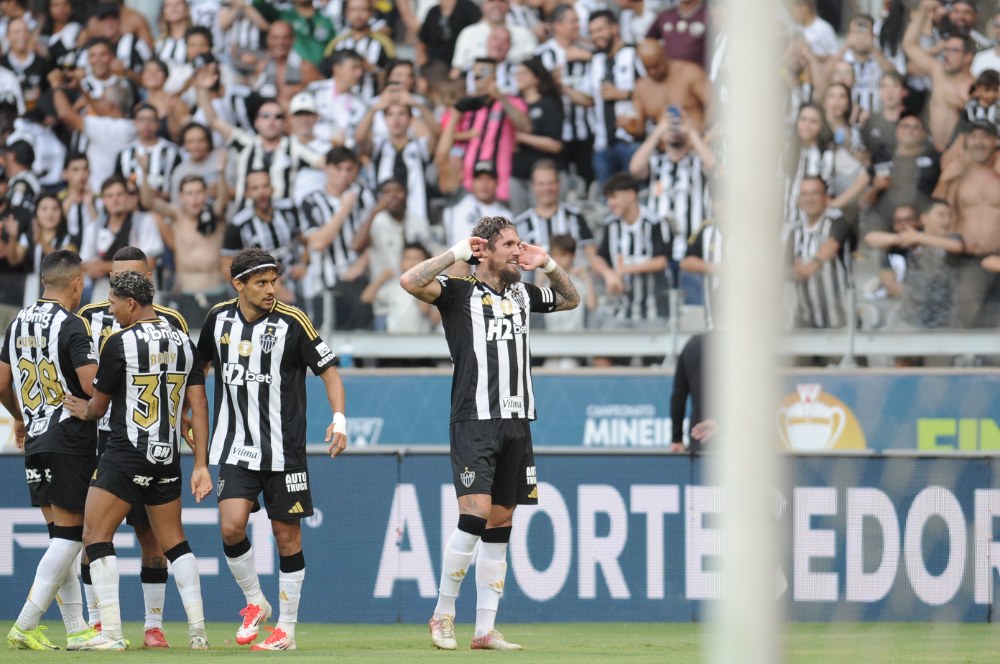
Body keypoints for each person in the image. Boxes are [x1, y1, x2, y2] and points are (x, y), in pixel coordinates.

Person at [399, 215, 580, 652]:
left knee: (500, 524)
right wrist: (458, 253)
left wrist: (549, 264)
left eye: (521, 245)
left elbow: (571, 300)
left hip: (517, 422)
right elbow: (410, 280)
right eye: (511, 245)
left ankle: (484, 629)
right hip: (474, 419)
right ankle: (443, 614)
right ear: (487, 250)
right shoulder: (459, 292)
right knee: (474, 516)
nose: (519, 251)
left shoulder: (521, 292)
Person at [199, 248, 347, 651]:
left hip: (285, 451)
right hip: (235, 445)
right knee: (231, 526)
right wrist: (187, 419)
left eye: (273, 281)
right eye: (261, 283)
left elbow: (329, 373)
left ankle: (287, 630)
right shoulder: (217, 319)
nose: (270, 289)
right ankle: (254, 601)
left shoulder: (293, 321)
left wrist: (339, 418)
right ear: (239, 285)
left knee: (287, 538)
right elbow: (200, 371)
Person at [61, 270, 210, 651]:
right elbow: (199, 405)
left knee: (95, 536)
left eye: (112, 303)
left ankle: (109, 634)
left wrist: (83, 409)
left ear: (130, 303)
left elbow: (99, 406)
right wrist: (201, 464)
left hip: (127, 453)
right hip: (167, 457)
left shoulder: (118, 343)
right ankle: (198, 633)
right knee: (175, 543)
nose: (110, 311)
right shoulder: (183, 340)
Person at [0, 250, 98, 651]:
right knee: (70, 539)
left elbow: (2, 384)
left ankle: (76, 629)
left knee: (62, 539)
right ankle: (25, 622)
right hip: (69, 438)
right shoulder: (73, 325)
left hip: (36, 439)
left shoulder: (17, 321)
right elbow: (92, 388)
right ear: (76, 284)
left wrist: (20, 416)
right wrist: (93, 406)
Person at [195, 63, 321, 205]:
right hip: (247, 215)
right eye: (266, 116)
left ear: (285, 123)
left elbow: (327, 164)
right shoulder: (245, 143)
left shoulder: (295, 147)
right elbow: (214, 120)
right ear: (256, 122)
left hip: (283, 218)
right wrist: (203, 90)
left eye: (277, 117)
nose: (271, 121)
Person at [629, 107, 716, 298]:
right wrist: (658, 132)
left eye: (678, 124)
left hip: (693, 254)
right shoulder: (655, 163)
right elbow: (635, 168)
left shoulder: (697, 162)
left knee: (694, 314)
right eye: (670, 124)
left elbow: (713, 167)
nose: (675, 129)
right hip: (660, 255)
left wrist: (691, 131)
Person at [137, 152, 229, 325]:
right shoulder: (177, 216)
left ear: (206, 194)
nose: (194, 198)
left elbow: (223, 202)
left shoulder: (215, 215)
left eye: (198, 192)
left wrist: (222, 172)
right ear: (181, 197)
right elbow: (148, 202)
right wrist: (144, 172)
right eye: (189, 193)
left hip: (217, 291)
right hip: (186, 293)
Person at [301, 147, 375, 329]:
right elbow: (318, 243)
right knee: (325, 344)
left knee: (361, 339)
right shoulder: (312, 201)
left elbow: (376, 234)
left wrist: (362, 262)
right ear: (327, 168)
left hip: (359, 282)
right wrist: (344, 209)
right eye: (339, 169)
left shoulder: (364, 195)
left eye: (349, 169)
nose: (344, 175)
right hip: (327, 283)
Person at [867, 199, 964, 330]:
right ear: (924, 218)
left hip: (944, 322)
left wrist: (918, 238)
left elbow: (957, 247)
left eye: (949, 215)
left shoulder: (952, 238)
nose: (946, 220)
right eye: (941, 215)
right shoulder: (911, 240)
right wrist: (901, 238)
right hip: (911, 319)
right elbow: (870, 239)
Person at [352, 178, 432, 331]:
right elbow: (356, 246)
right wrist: (375, 211)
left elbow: (429, 256)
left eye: (397, 191)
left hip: (417, 299)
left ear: (406, 194)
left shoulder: (418, 222)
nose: (392, 196)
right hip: (384, 302)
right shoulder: (377, 222)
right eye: (386, 192)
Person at [592, 172, 670, 325]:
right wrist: (609, 274)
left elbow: (661, 261)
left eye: (614, 197)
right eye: (608, 198)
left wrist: (624, 270)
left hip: (652, 311)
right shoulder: (611, 225)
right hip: (620, 311)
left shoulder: (654, 222)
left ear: (631, 195)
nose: (610, 203)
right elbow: (598, 258)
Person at [453, 58, 531, 203]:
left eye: (486, 76)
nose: (481, 81)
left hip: (500, 186)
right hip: (468, 183)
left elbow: (525, 126)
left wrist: (500, 97)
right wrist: (456, 153)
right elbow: (448, 134)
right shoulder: (465, 105)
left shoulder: (512, 101)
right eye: (477, 77)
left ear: (494, 78)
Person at [903, 0, 976, 152]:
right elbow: (909, 46)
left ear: (967, 57)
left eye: (954, 50)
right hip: (932, 150)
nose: (946, 55)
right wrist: (923, 11)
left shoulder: (975, 86)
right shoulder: (938, 71)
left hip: (960, 155)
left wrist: (961, 104)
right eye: (946, 50)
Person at [536, 5, 595, 188]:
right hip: (555, 134)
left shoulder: (587, 54)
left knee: (588, 185)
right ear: (557, 25)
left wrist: (590, 56)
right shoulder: (541, 56)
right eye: (573, 21)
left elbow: (590, 98)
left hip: (585, 132)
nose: (578, 25)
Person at [80, 176, 164, 301]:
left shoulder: (145, 221)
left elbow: (147, 264)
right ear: (103, 200)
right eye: (109, 196)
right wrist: (92, 268)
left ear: (127, 197)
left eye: (119, 194)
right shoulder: (94, 227)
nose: (115, 200)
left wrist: (105, 267)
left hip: (140, 297)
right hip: (105, 295)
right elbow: (85, 263)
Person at [222, 170, 303, 300]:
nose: (261, 192)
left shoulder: (289, 210)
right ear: (247, 193)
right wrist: (264, 284)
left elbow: (306, 242)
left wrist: (303, 265)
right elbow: (227, 271)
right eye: (255, 188)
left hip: (298, 283)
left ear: (272, 188)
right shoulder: (238, 225)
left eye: (265, 186)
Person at [588, 10, 645, 189]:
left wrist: (624, 94)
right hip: (602, 144)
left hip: (631, 141)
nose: (595, 36)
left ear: (614, 28)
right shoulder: (595, 60)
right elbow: (588, 97)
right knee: (607, 201)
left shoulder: (634, 53)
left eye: (600, 30)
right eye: (592, 32)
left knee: (638, 192)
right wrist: (560, 86)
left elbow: (652, 91)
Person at [787, 177, 851, 330]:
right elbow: (785, 267)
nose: (809, 199)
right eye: (804, 194)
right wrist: (794, 272)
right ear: (799, 200)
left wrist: (812, 265)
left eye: (814, 193)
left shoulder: (838, 222)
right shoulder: (794, 233)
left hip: (839, 320)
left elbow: (830, 247)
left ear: (826, 197)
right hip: (806, 319)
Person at [356, 98, 436, 220]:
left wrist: (416, 104)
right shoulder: (379, 146)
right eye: (390, 114)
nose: (396, 119)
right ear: (385, 119)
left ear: (410, 119)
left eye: (401, 114)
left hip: (417, 216)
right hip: (384, 219)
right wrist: (374, 109)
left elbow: (437, 133)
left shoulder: (420, 146)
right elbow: (360, 138)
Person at [863, 112, 941, 234]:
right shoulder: (881, 157)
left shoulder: (934, 160)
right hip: (886, 222)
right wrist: (875, 188)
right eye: (905, 126)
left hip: (923, 221)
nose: (909, 130)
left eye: (915, 127)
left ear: (924, 134)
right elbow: (865, 201)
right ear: (896, 131)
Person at [52, 81, 136, 192]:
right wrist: (81, 89)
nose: (94, 103)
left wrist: (56, 85)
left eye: (100, 100)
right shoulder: (127, 126)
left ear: (110, 106)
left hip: (100, 193)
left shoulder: (112, 129)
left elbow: (65, 114)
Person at [514, 160, 596, 265]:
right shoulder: (520, 223)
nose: (546, 188)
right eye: (541, 184)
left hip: (572, 279)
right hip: (534, 280)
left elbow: (592, 255)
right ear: (533, 186)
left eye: (550, 183)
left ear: (558, 184)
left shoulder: (575, 216)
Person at [508, 58, 564, 215]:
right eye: (516, 73)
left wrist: (521, 137)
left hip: (542, 178)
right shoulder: (514, 104)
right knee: (518, 223)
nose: (518, 76)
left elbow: (555, 145)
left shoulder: (549, 105)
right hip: (517, 174)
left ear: (536, 78)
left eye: (523, 73)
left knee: (543, 216)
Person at [632, 39, 711, 138]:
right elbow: (640, 130)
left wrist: (701, 136)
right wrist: (627, 126)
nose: (653, 71)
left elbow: (714, 106)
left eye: (656, 65)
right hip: (664, 151)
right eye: (647, 68)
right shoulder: (640, 88)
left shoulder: (689, 73)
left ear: (664, 55)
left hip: (696, 145)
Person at [324, 0, 396, 102]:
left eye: (363, 10)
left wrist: (371, 68)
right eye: (354, 10)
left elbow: (393, 77)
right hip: (339, 103)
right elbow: (325, 74)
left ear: (371, 13)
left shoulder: (383, 44)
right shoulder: (336, 44)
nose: (358, 15)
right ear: (347, 13)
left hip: (371, 102)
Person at [361, 241, 440, 333]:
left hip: (420, 340)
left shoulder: (431, 286)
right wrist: (381, 278)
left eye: (418, 258)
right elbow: (366, 297)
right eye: (408, 258)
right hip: (396, 339)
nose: (412, 262)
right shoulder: (395, 286)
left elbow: (424, 309)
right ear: (401, 263)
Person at [113, 104, 182, 200]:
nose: (146, 124)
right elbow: (116, 183)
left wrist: (162, 195)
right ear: (134, 123)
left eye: (151, 120)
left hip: (163, 208)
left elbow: (179, 185)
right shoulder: (124, 153)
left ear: (158, 123)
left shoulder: (172, 152)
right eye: (142, 120)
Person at [306, 49, 370, 148]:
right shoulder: (313, 91)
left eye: (361, 69)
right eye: (354, 68)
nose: (359, 73)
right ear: (337, 68)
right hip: (311, 151)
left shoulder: (362, 104)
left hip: (344, 155)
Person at [252, 21, 323, 110]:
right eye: (275, 38)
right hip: (271, 119)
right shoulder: (262, 67)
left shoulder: (305, 68)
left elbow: (322, 96)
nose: (280, 42)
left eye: (285, 38)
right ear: (268, 39)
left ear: (293, 39)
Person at [451, 0, 537, 72]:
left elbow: (535, 69)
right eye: (491, 1)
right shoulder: (468, 33)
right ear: (482, 6)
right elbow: (457, 68)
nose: (496, 5)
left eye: (501, 1)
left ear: (509, 5)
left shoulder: (524, 34)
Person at [251, 0, 336, 66]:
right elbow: (259, 3)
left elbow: (333, 46)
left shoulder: (327, 19)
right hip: (292, 72)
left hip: (322, 73)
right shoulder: (284, 16)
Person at [670, 333, 714, 453]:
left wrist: (676, 438)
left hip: (699, 439)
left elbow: (678, 396)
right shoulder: (740, 345)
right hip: (734, 443)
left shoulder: (692, 345)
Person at [0, 18, 51, 112]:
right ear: (8, 36)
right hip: (7, 120)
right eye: (16, 32)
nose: (21, 36)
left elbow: (51, 93)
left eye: (25, 31)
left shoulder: (42, 63)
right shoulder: (1, 64)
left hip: (36, 120)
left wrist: (42, 95)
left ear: (29, 35)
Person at [169, 123, 224, 206]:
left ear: (208, 142)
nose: (195, 146)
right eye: (190, 142)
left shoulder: (222, 158)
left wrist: (223, 192)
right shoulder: (179, 171)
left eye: (200, 141)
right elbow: (176, 205)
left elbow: (243, 189)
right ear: (185, 145)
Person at [417, 0, 482, 68]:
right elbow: (422, 42)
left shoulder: (467, 7)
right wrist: (423, 70)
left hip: (461, 67)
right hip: (435, 67)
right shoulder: (433, 12)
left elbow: (481, 28)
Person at [645, 0, 710, 68]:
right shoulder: (665, 16)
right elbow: (648, 41)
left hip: (699, 73)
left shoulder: (709, 16)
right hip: (669, 74)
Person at [861, 71, 907, 156]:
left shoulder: (913, 121)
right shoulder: (870, 122)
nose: (889, 92)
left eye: (895, 86)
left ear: (904, 91)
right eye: (884, 86)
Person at [5, 139, 39, 213]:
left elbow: (15, 208)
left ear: (12, 156)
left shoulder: (22, 181)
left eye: (6, 157)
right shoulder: (31, 177)